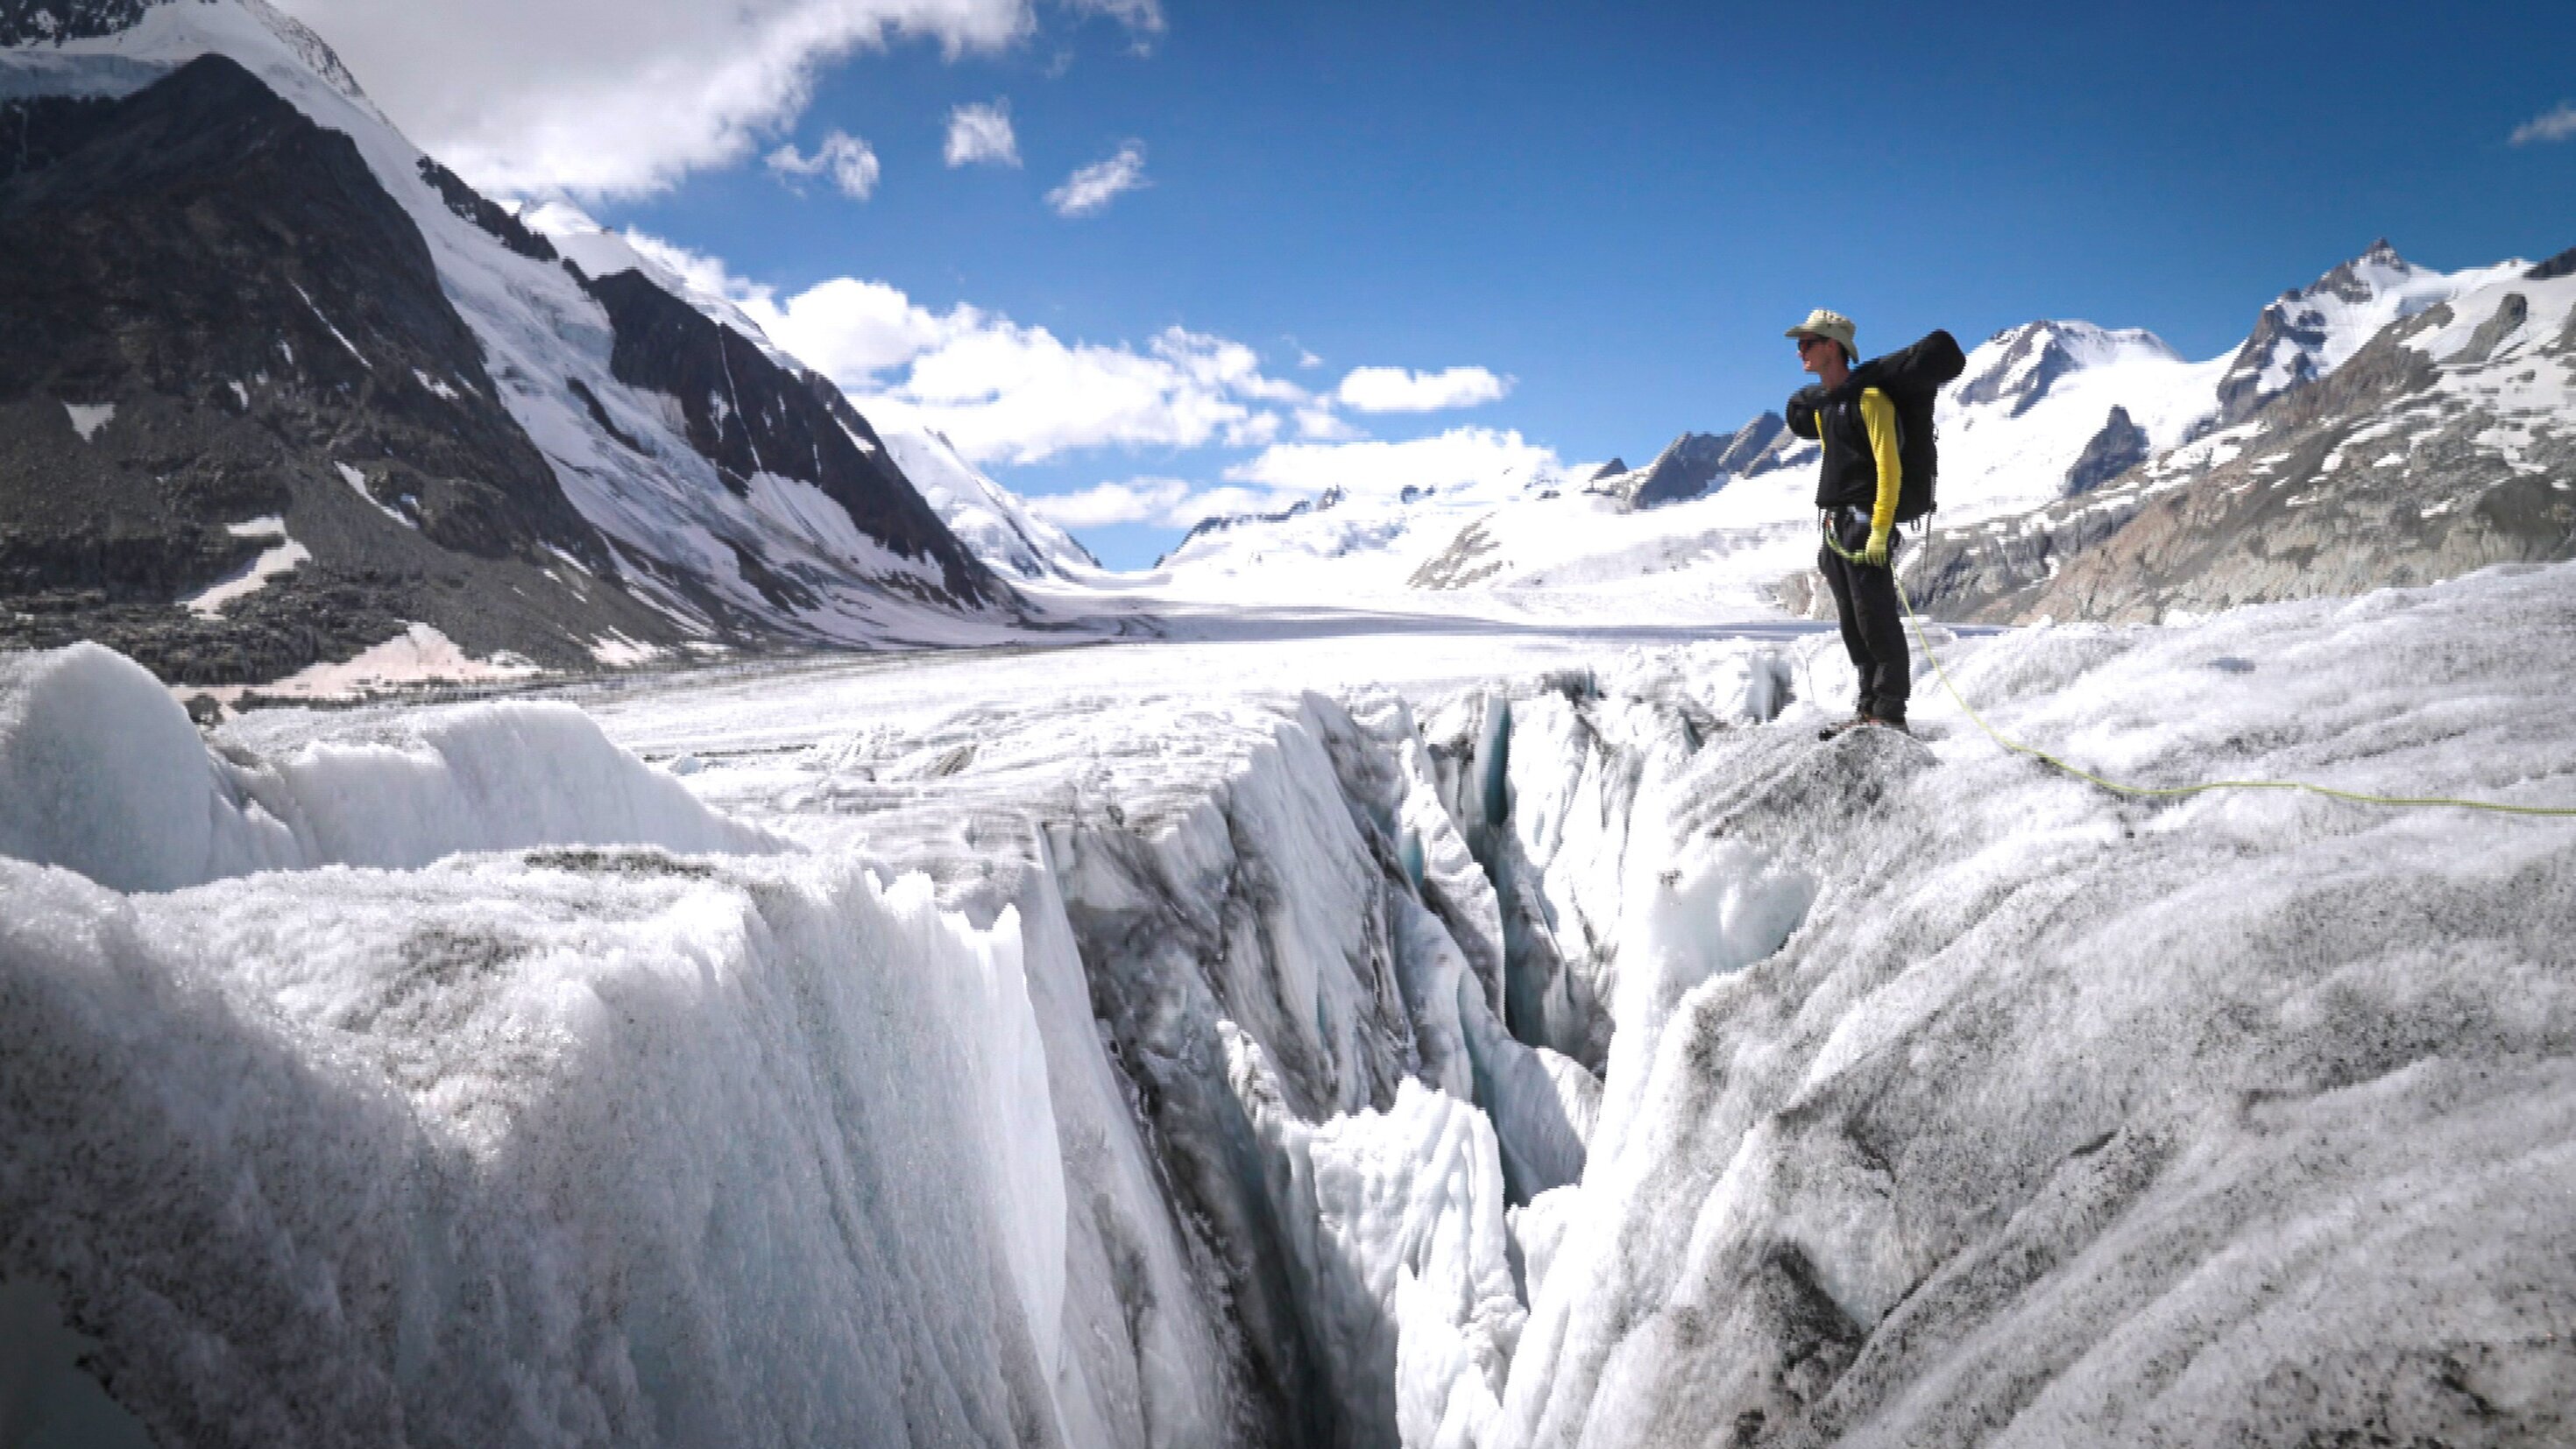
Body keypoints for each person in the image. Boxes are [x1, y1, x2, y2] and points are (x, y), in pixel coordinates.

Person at [1787, 307, 1910, 738]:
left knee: (1875, 617)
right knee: (1852, 622)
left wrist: (1880, 528)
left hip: (1862, 525)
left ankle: (1890, 711)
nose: (1799, 351)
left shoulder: (1872, 400)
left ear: (1831, 347)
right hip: (1836, 527)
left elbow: (1888, 468)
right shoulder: (1825, 409)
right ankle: (1868, 708)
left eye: (1807, 343)